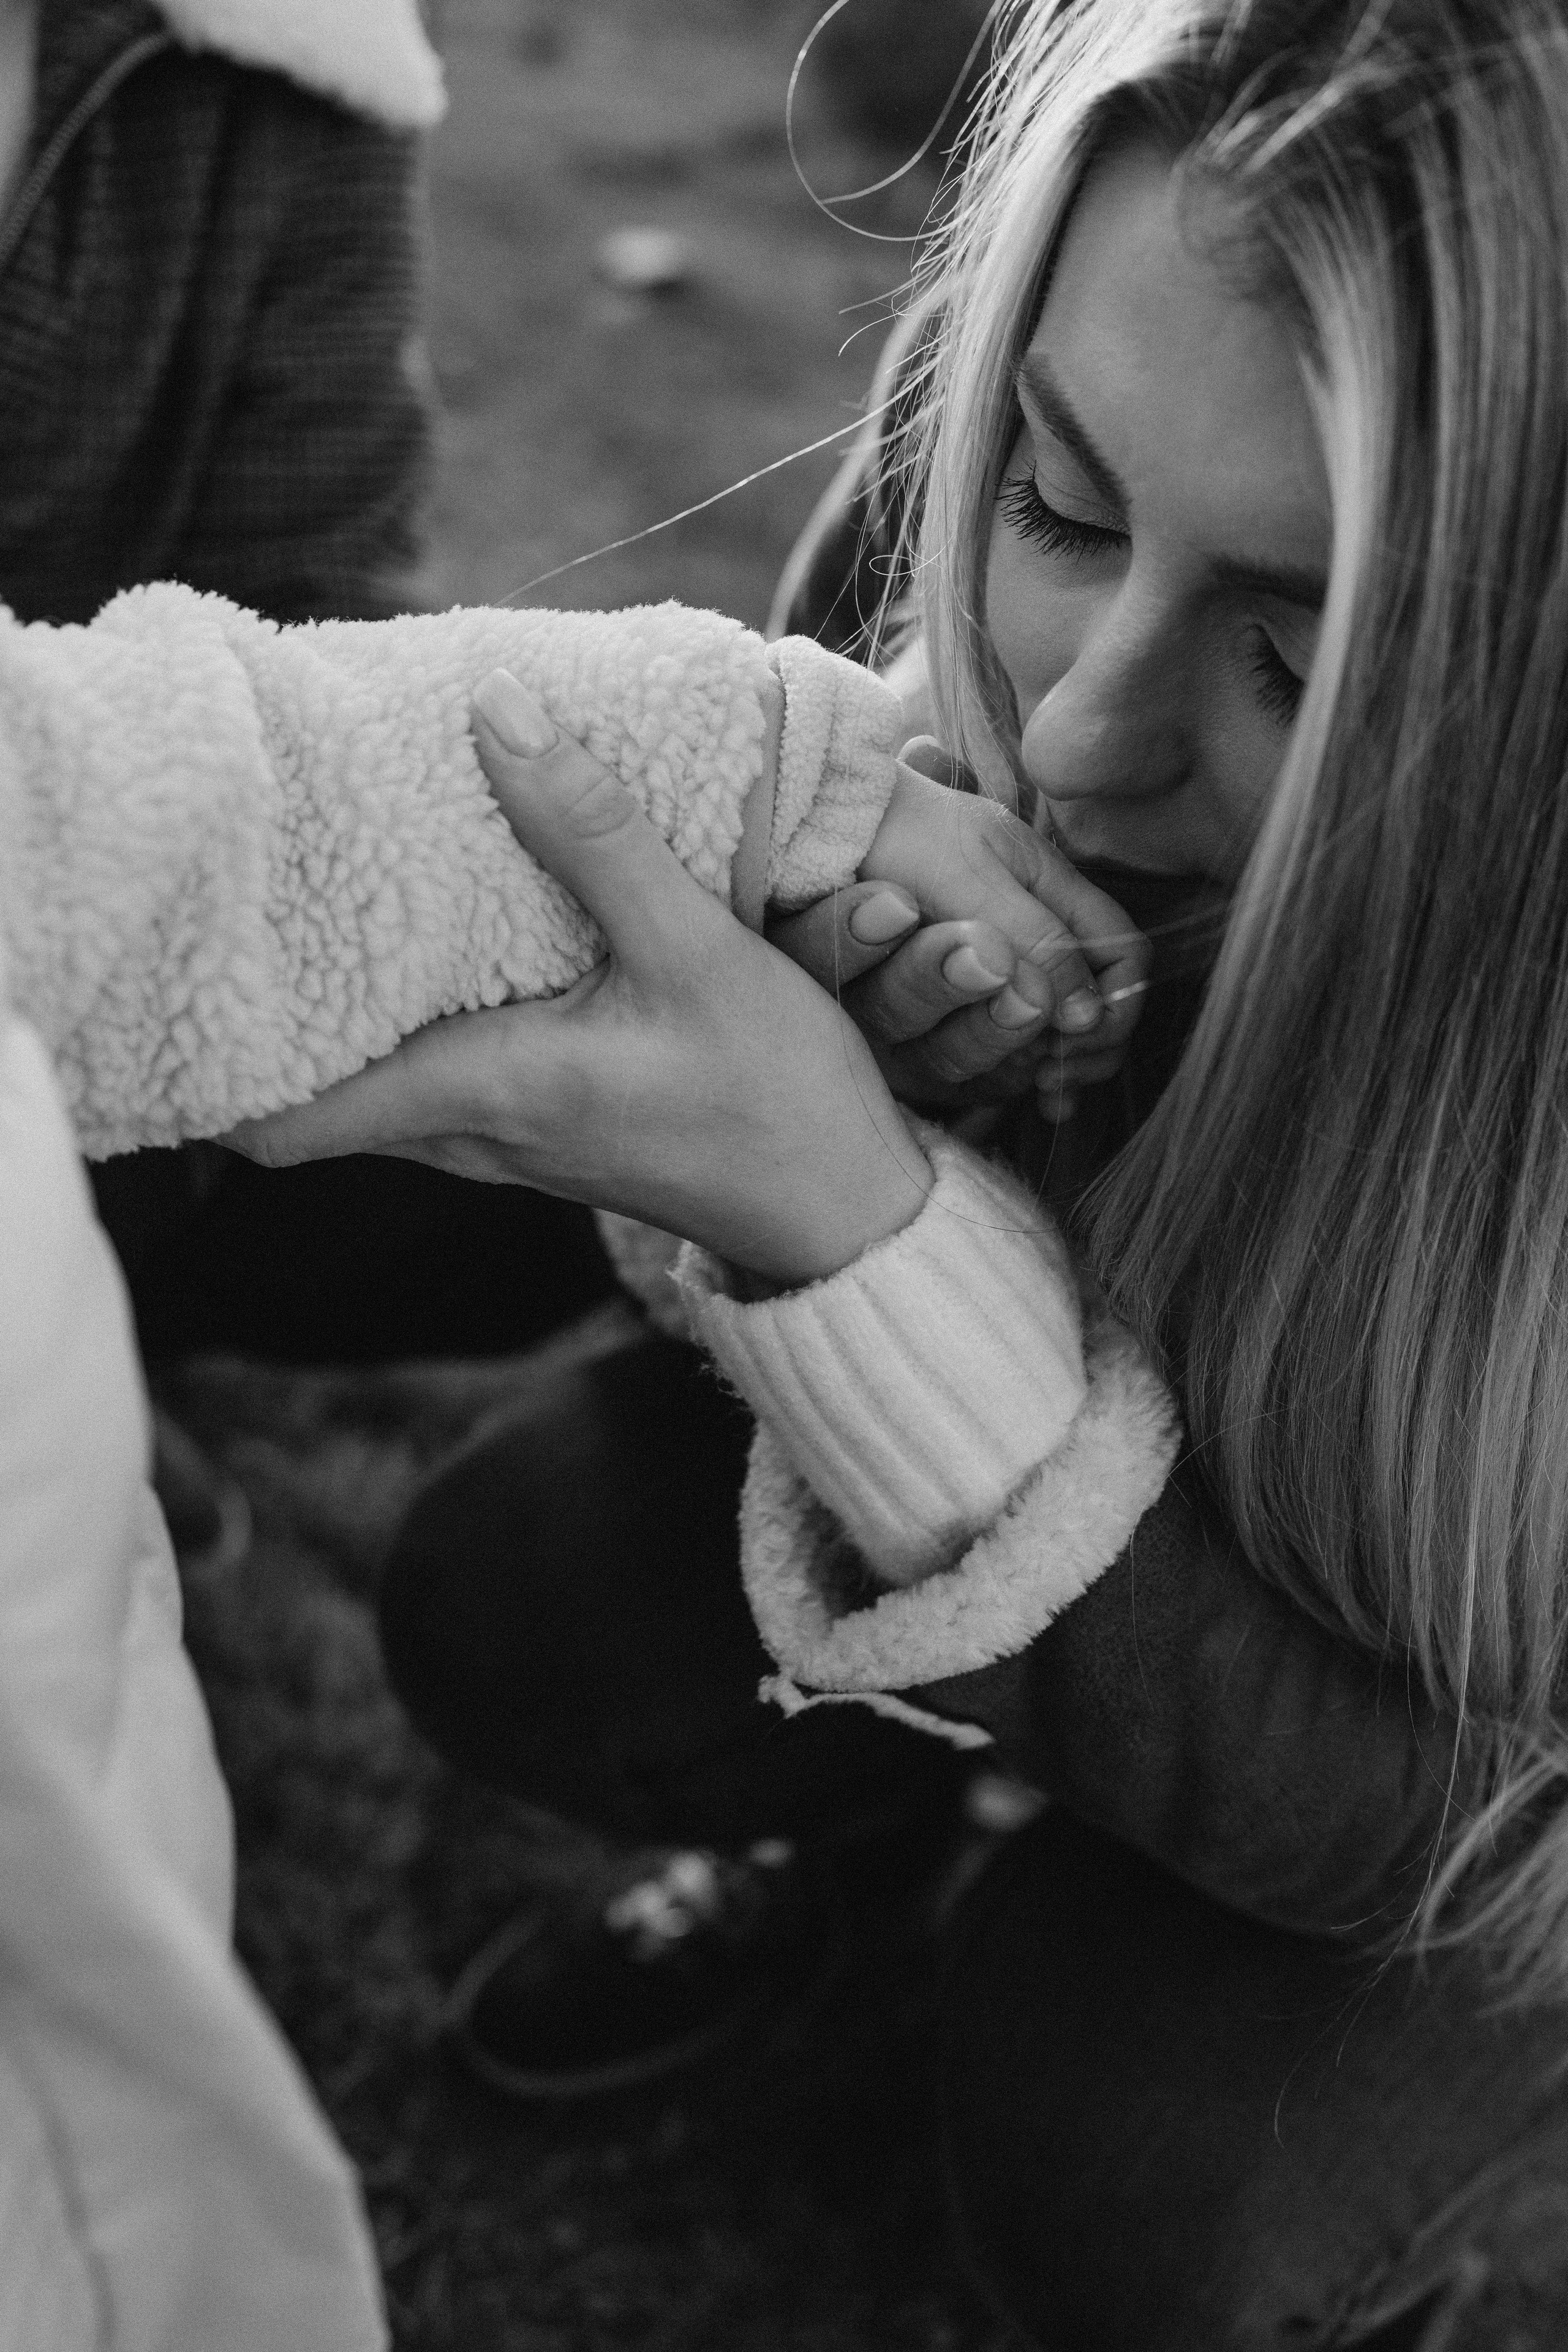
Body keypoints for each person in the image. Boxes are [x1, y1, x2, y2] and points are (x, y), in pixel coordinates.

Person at [229, 0, 1568, 2342]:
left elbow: (1450, 1819)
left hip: (1481, 1829)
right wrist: (878, 1099)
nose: (1067, 727)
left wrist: (875, 1236)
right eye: (1058, 501)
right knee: (531, 1598)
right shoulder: (965, 591)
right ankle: (859, 1864)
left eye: (1298, 654)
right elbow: (731, 1187)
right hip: (1113, 1528)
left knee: (1152, 2160)